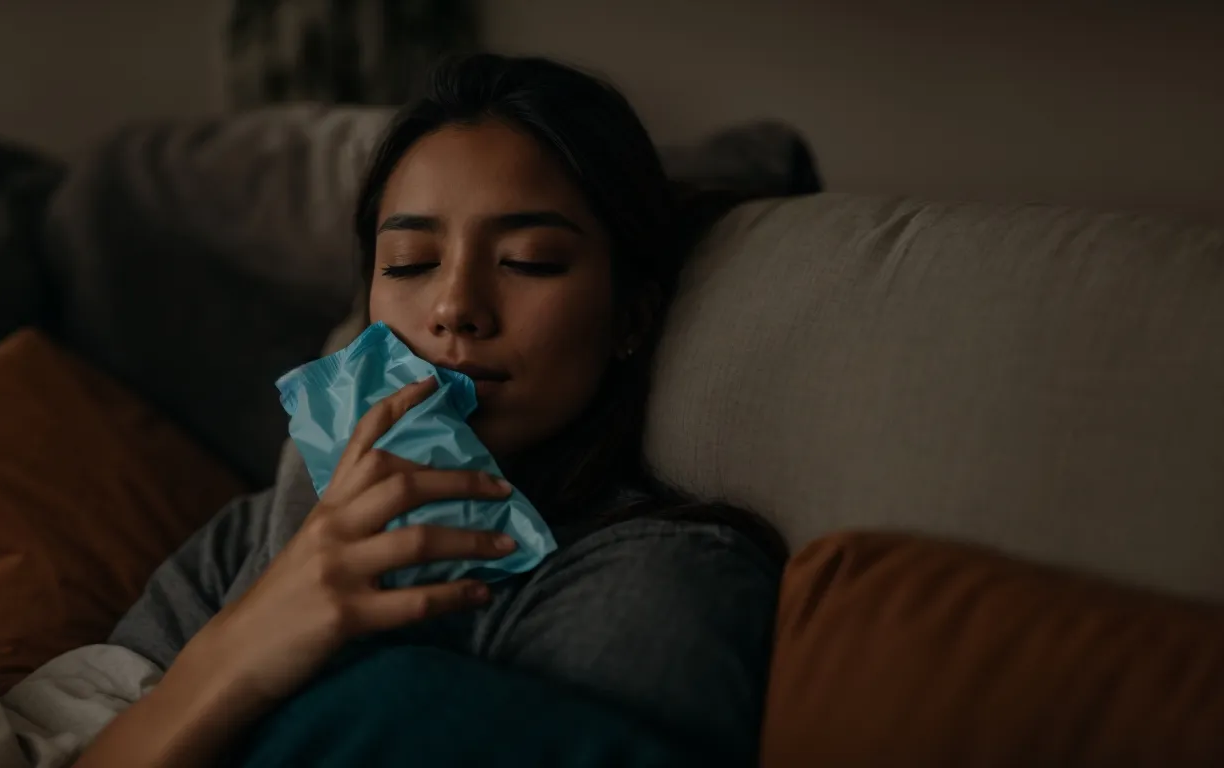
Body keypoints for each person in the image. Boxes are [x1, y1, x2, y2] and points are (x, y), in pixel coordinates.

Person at [80, 54, 786, 766]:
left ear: (631, 318)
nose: (454, 308)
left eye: (530, 260)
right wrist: (239, 650)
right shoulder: (247, 538)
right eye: (412, 263)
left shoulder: (656, 584)